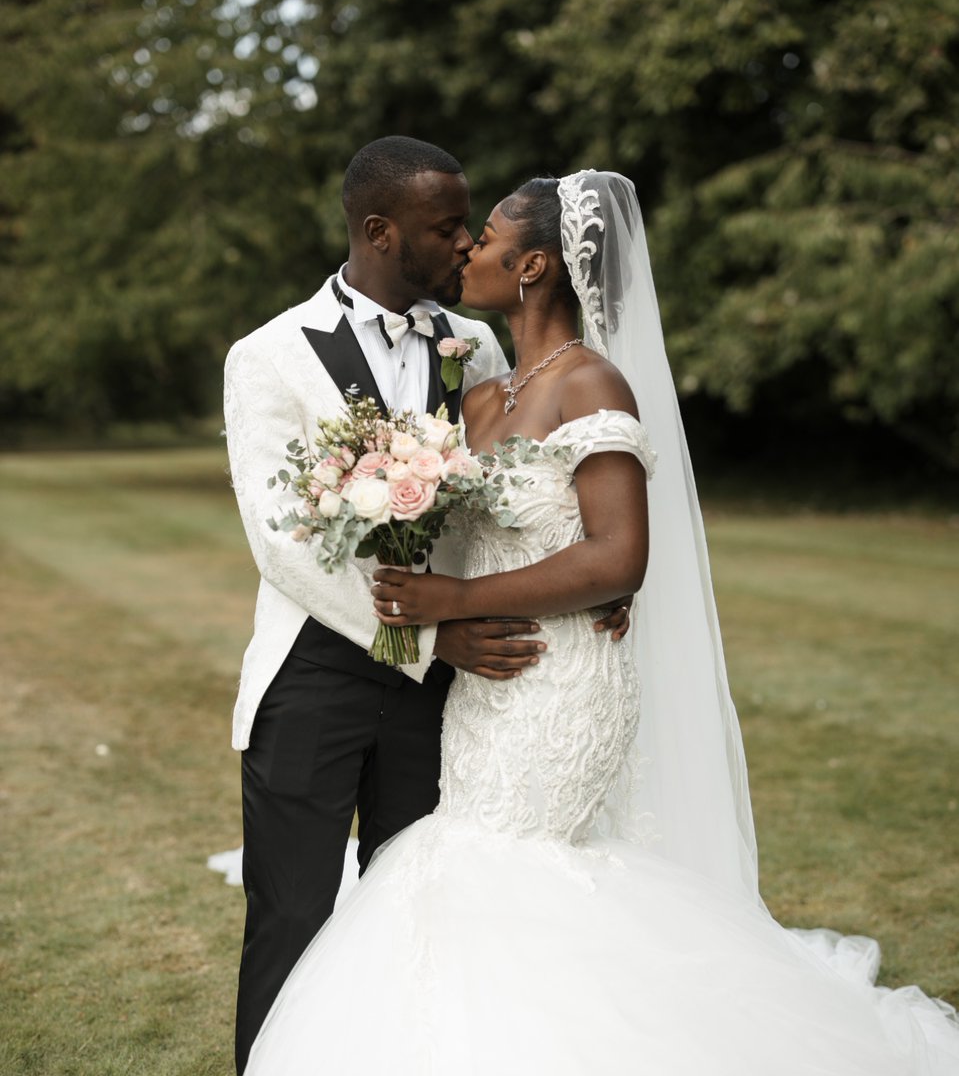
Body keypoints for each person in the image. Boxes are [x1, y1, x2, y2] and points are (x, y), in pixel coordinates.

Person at [241, 170, 959, 1074]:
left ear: (533, 266)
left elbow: (616, 552)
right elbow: (440, 531)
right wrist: (465, 604)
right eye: (459, 230)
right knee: (446, 883)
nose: (466, 248)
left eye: (482, 234)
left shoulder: (571, 377)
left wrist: (537, 591)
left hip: (554, 681)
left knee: (501, 871)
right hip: (461, 684)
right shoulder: (466, 386)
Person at [223, 139, 629, 1073]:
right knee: (292, 909)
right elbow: (283, 543)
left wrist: (597, 581)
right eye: (446, 228)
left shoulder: (474, 345)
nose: (463, 243)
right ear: (379, 231)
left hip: (448, 687)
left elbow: (516, 489)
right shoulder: (268, 356)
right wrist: (428, 635)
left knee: (415, 907)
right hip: (319, 668)